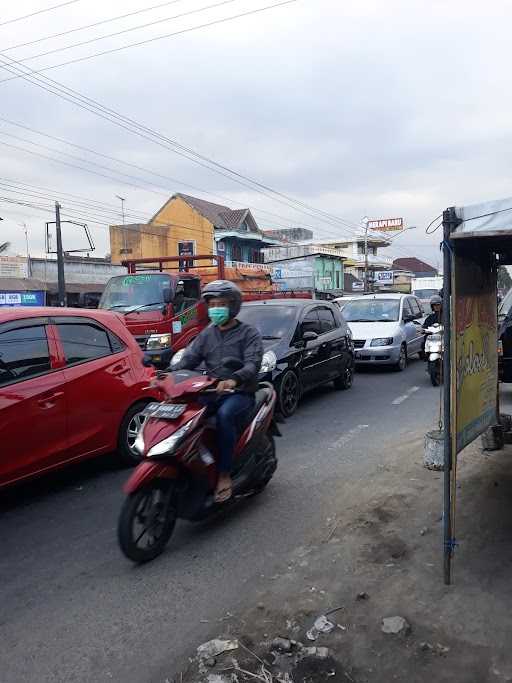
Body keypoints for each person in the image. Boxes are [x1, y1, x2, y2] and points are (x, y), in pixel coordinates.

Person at [175, 280, 263, 502]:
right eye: (212, 304)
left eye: (221, 304)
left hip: (240, 393)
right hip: (211, 390)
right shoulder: (207, 334)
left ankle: (224, 474)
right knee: (186, 415)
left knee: (224, 417)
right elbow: (189, 358)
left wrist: (234, 379)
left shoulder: (248, 333)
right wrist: (166, 372)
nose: (216, 308)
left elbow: (253, 364)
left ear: (233, 306)